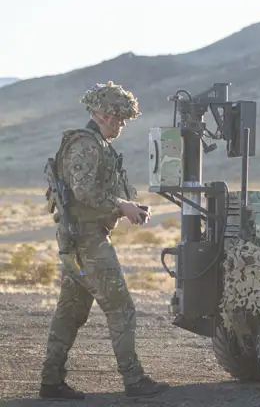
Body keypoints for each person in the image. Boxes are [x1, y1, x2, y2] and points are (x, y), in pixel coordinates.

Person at [39, 81, 170, 400]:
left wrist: (126, 205)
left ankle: (51, 381)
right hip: (87, 241)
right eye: (120, 119)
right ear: (104, 115)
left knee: (70, 312)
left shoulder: (96, 144)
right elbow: (84, 192)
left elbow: (90, 191)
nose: (122, 125)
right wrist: (120, 206)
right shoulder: (87, 145)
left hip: (79, 240)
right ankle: (134, 380)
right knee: (121, 307)